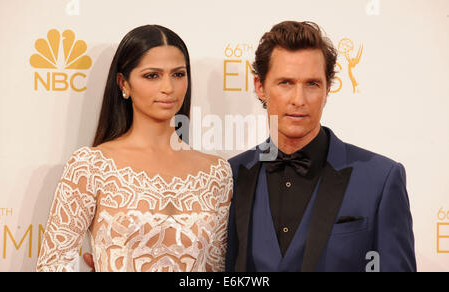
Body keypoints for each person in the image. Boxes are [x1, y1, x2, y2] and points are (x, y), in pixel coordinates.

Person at [36, 25, 233, 272]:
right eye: (152, 75)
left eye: (178, 74)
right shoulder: (91, 166)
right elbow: (53, 264)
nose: (168, 88)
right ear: (124, 83)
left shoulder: (217, 173)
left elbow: (215, 268)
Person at [225, 21, 416, 272]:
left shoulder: (381, 178)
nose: (299, 100)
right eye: (285, 83)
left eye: (312, 84)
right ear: (260, 87)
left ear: (327, 89)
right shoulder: (231, 175)